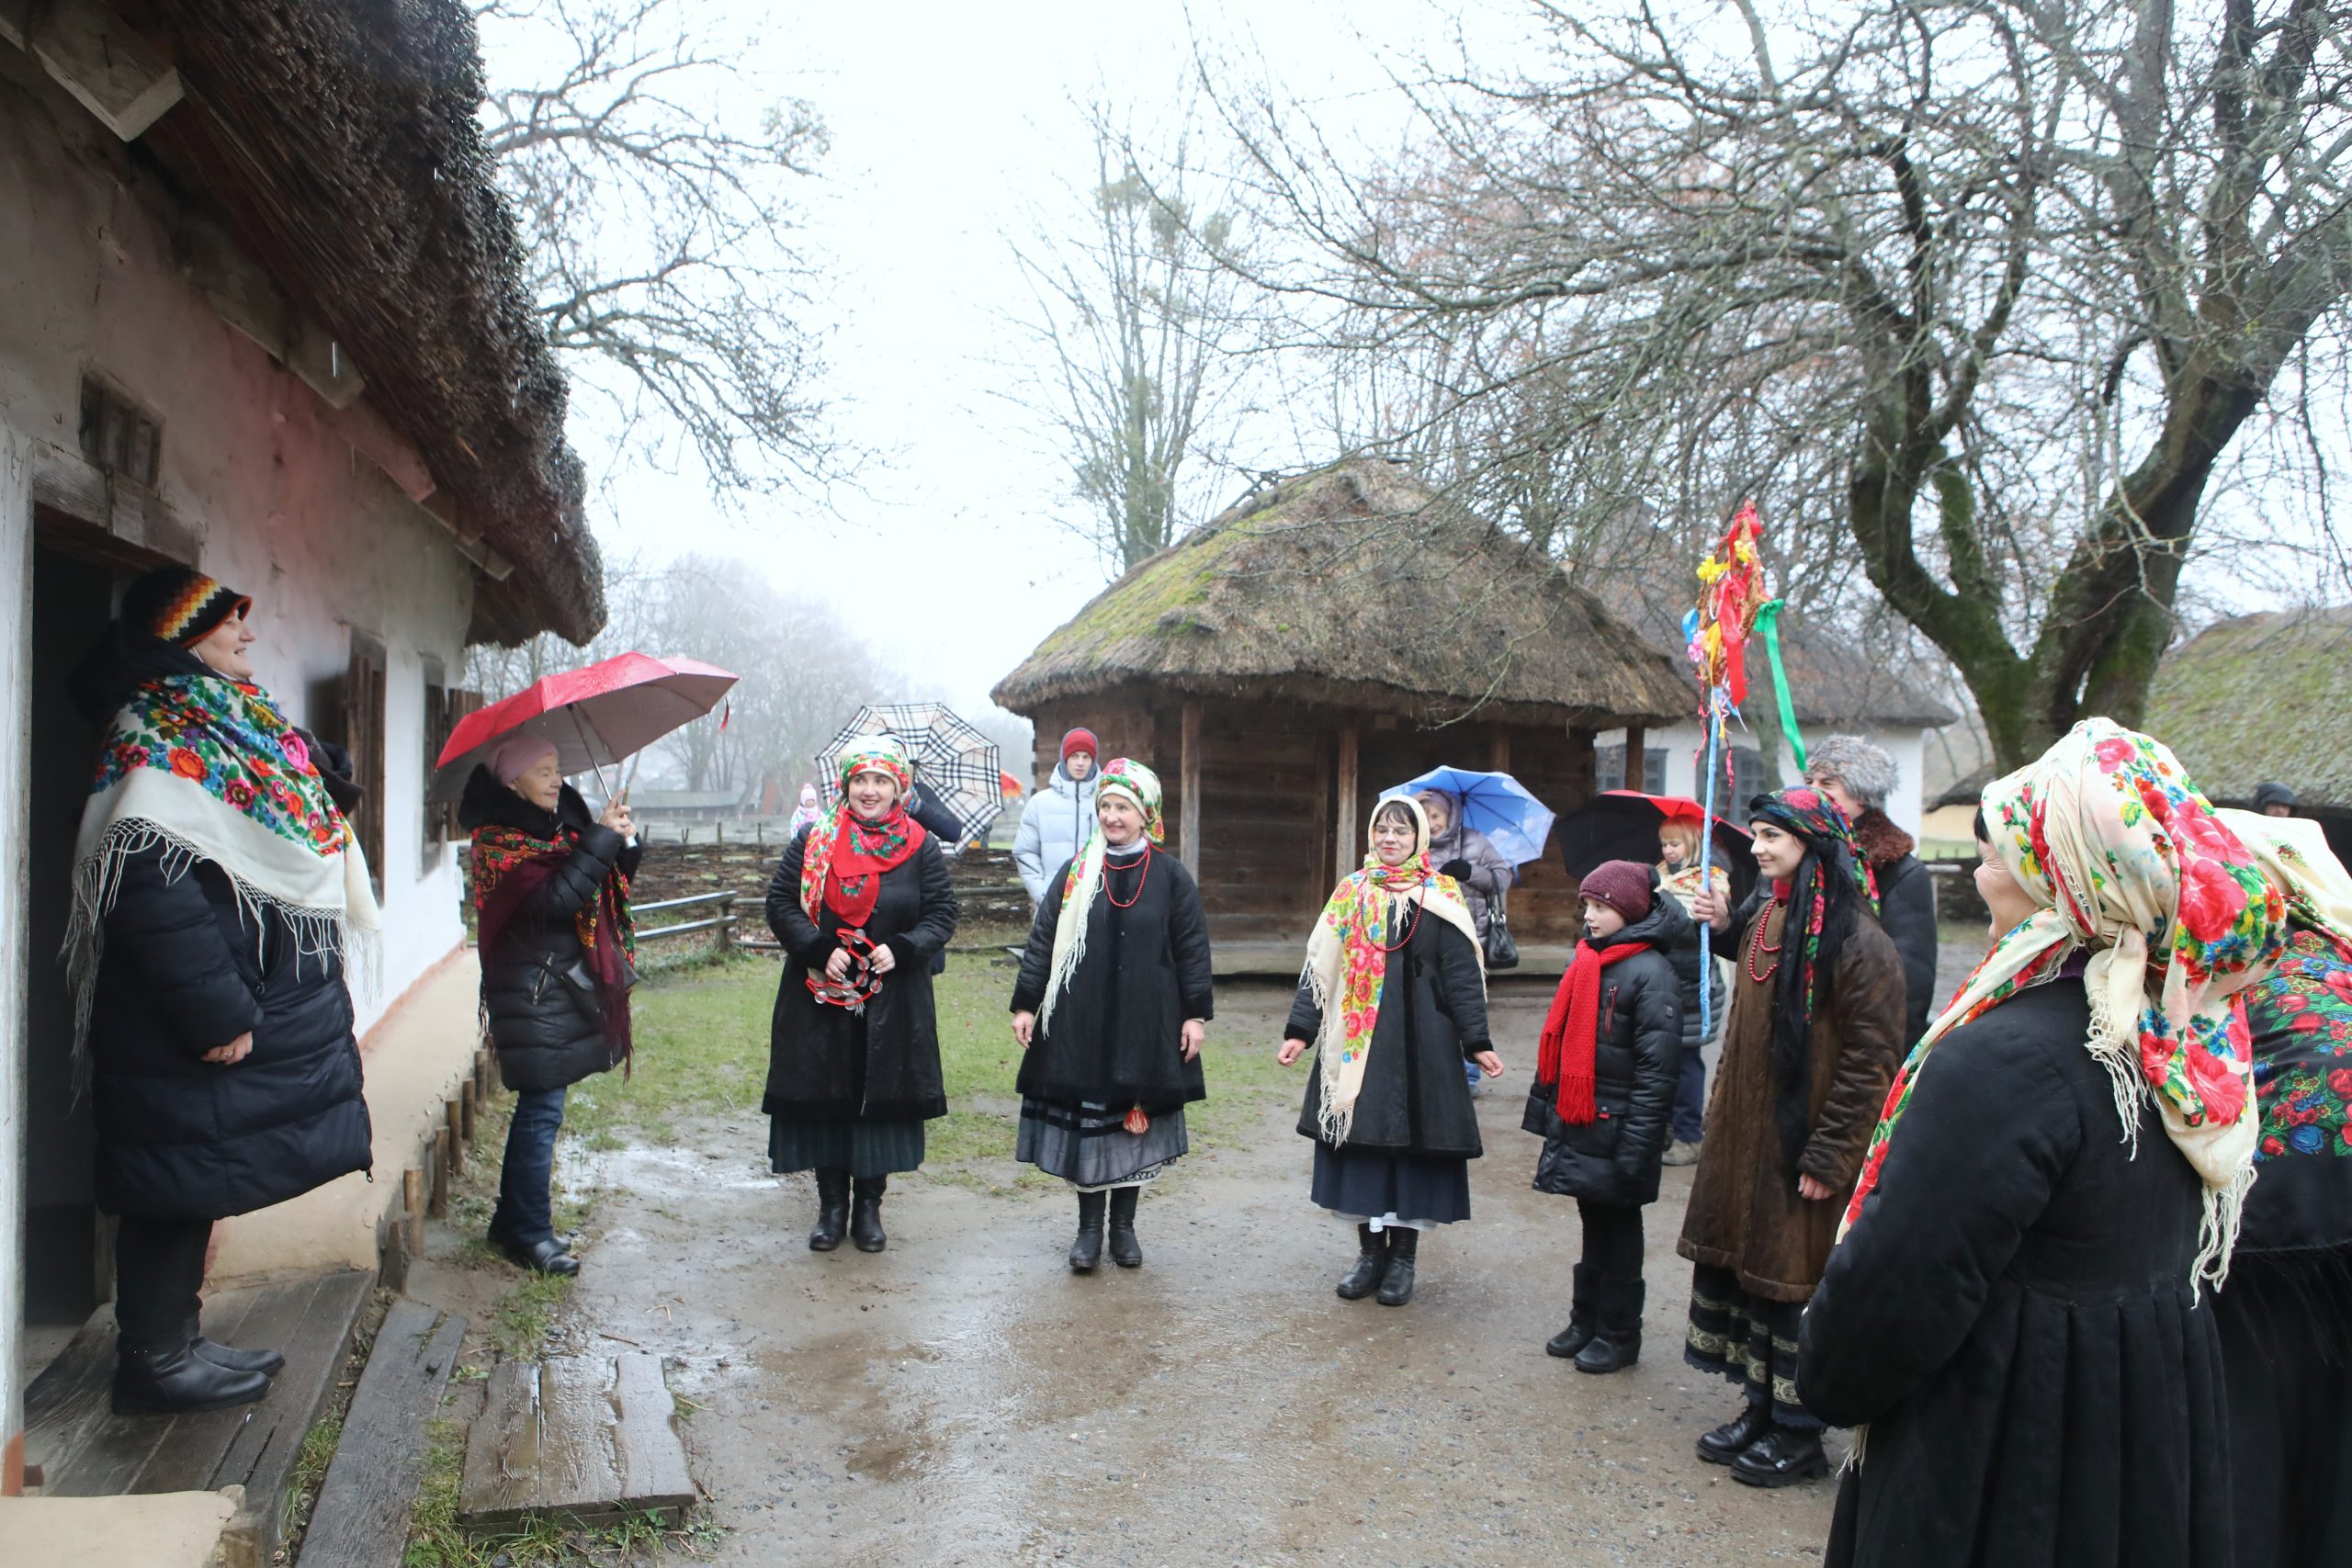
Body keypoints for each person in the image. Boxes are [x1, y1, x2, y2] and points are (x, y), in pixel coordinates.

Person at [1799, 722, 2281, 1566]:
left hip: (2013, 1445)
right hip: (2142, 1430)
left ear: (2059, 874)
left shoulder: (2009, 1059)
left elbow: (1900, 1286)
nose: (1983, 867)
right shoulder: (2183, 1029)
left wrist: (1827, 1376)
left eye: (2000, 851)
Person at [62, 566, 379, 1415]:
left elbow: (281, 818)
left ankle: (177, 1342)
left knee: (193, 1175)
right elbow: (146, 882)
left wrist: (318, 770)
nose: (247, 631)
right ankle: (154, 1360)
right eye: (229, 619)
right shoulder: (152, 732)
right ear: (181, 634)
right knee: (172, 1181)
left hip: (228, 993)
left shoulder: (228, 723)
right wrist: (215, 1008)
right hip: (183, 1010)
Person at [1676, 785, 1903, 1487]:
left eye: (1771, 836)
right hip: (1749, 1138)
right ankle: (1761, 1407)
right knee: (1754, 1278)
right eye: (1757, 834)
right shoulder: (1765, 917)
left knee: (1791, 1285)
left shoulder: (1859, 941)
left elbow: (1873, 1059)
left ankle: (1800, 1432)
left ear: (1809, 844)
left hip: (1803, 1145)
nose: (1757, 847)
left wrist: (1833, 1152)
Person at [1279, 796, 1503, 1307]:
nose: (1390, 839)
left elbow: (1462, 978)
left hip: (1424, 1046)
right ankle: (1369, 1255)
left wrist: (1478, 1041)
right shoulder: (1351, 893)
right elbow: (1321, 968)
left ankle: (1403, 1258)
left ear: (1420, 838)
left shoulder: (1441, 894)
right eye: (1382, 829)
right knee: (1362, 1148)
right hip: (1361, 1046)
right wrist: (1300, 1030)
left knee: (1413, 1151)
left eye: (1402, 831)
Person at [2209, 807, 2352, 1568]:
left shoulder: (2238, 959)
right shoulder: (2340, 947)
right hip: (2318, 1226)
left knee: (2257, 1444)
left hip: (2269, 1240)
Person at [1010, 759, 1214, 1271]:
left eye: (1123, 807)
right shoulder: (1077, 873)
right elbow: (1043, 941)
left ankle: (1123, 1229)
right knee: (1088, 1122)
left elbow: (1192, 950)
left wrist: (1195, 1016)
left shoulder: (1170, 877)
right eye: (1105, 806)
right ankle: (1087, 1232)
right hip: (1081, 1021)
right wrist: (1025, 1003)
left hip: (1148, 1021)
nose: (1112, 816)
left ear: (1146, 813)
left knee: (1131, 1124)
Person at [764, 737, 959, 1252]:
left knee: (878, 1100)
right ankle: (832, 1207)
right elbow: (781, 903)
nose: (869, 791)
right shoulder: (814, 839)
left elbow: (942, 913)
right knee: (831, 1097)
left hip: (892, 1001)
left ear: (899, 788)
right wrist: (816, 946)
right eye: (860, 780)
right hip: (821, 997)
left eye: (881, 781)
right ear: (845, 785)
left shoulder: (921, 845)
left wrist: (905, 947)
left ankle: (869, 1206)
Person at [461, 734, 639, 1277]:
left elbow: (602, 883)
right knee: (541, 1112)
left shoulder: (560, 826)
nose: (555, 779)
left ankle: (512, 1222)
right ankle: (529, 1232)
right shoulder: (498, 843)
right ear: (511, 781)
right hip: (530, 989)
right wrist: (600, 841)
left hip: (558, 984)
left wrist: (622, 842)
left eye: (557, 767)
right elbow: (555, 902)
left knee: (541, 1111)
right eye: (541, 771)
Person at [1525, 860, 1683, 1372]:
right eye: (1586, 906)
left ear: (1629, 910)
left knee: (1620, 1227)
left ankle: (1619, 1333)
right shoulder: (1590, 960)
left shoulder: (1651, 972)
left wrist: (1639, 1144)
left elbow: (1657, 1073)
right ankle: (1585, 1319)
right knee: (1592, 1218)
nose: (1589, 916)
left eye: (1600, 907)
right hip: (1587, 1121)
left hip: (1622, 1128)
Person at [1802, 736, 1939, 1046]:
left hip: (1861, 1042)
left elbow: (1909, 981)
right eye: (1809, 780)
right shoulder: (1800, 858)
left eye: (1827, 783)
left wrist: (1884, 1057)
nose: (1811, 790)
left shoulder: (1899, 872)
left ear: (1860, 795)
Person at [1419, 786, 1513, 1093]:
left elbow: (1503, 877)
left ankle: (1469, 1076)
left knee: (1467, 1003)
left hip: (1471, 937)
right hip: (1426, 936)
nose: (1432, 822)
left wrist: (1469, 871)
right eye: (1425, 815)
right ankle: (1435, 1070)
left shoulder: (1475, 840)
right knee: (1431, 1004)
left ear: (1450, 814)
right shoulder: (1415, 844)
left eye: (1437, 815)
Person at [1656, 816, 1729, 1166]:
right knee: (1664, 1060)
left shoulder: (1709, 881)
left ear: (1694, 843)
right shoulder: (1663, 876)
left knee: (1686, 1062)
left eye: (1675, 844)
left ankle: (1689, 1136)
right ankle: (1669, 1129)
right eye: (1664, 844)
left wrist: (1663, 899)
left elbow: (1691, 932)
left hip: (1695, 986)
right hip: (1668, 983)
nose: (1668, 851)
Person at [1015, 728, 1101, 906]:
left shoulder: (1106, 803)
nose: (1080, 763)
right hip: (1052, 904)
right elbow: (1025, 851)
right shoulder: (1039, 803)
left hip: (1097, 904)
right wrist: (1043, 894)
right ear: (1064, 758)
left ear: (1093, 760)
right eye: (1074, 756)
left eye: (1086, 757)